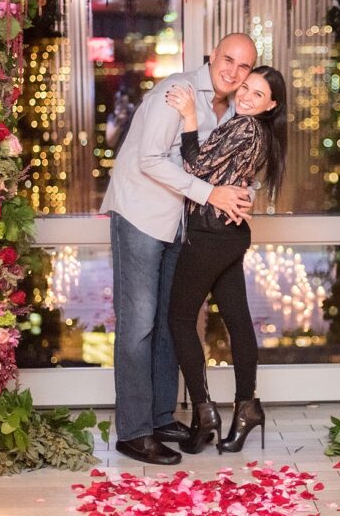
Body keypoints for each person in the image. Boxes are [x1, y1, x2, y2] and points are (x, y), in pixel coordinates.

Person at [100, 33, 258, 465]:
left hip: (178, 225)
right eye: (228, 60)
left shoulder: (231, 111)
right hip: (139, 213)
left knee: (172, 322)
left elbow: (224, 168)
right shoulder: (179, 91)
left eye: (244, 67)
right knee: (139, 324)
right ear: (213, 56)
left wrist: (240, 194)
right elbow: (150, 159)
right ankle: (134, 432)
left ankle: (159, 416)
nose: (233, 71)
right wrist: (210, 194)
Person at [164, 66, 287, 454]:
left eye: (257, 94)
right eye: (245, 88)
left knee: (179, 318)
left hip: (211, 235)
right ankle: (247, 407)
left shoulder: (245, 127)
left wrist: (188, 117)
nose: (246, 96)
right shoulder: (255, 130)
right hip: (228, 235)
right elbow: (228, 175)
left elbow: (195, 168)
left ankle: (204, 412)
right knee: (236, 319)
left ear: (272, 105)